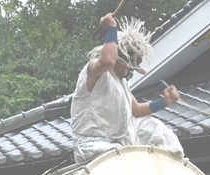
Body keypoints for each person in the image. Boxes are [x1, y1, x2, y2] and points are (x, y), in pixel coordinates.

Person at [71, 14, 184, 163]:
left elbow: (135, 109)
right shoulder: (94, 70)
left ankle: (175, 164)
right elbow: (108, 61)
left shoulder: (121, 82)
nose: (134, 67)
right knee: (130, 160)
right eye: (133, 60)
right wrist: (111, 28)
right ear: (120, 56)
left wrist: (164, 102)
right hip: (93, 145)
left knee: (151, 125)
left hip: (120, 142)